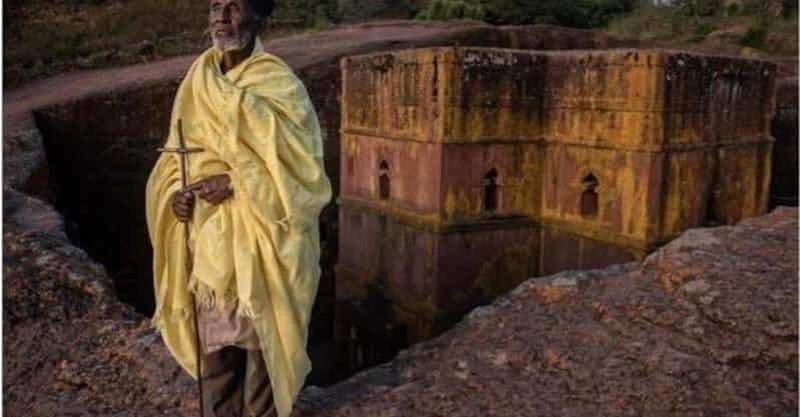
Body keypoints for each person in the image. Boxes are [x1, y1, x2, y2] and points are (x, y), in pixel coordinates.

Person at [145, 0, 332, 415]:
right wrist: (177, 197)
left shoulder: (281, 85)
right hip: (212, 252)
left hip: (265, 250)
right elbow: (176, 160)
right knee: (217, 366)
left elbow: (305, 173)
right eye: (215, 6)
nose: (221, 17)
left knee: (264, 367)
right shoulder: (198, 81)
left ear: (259, 17)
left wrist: (234, 181)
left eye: (233, 7)